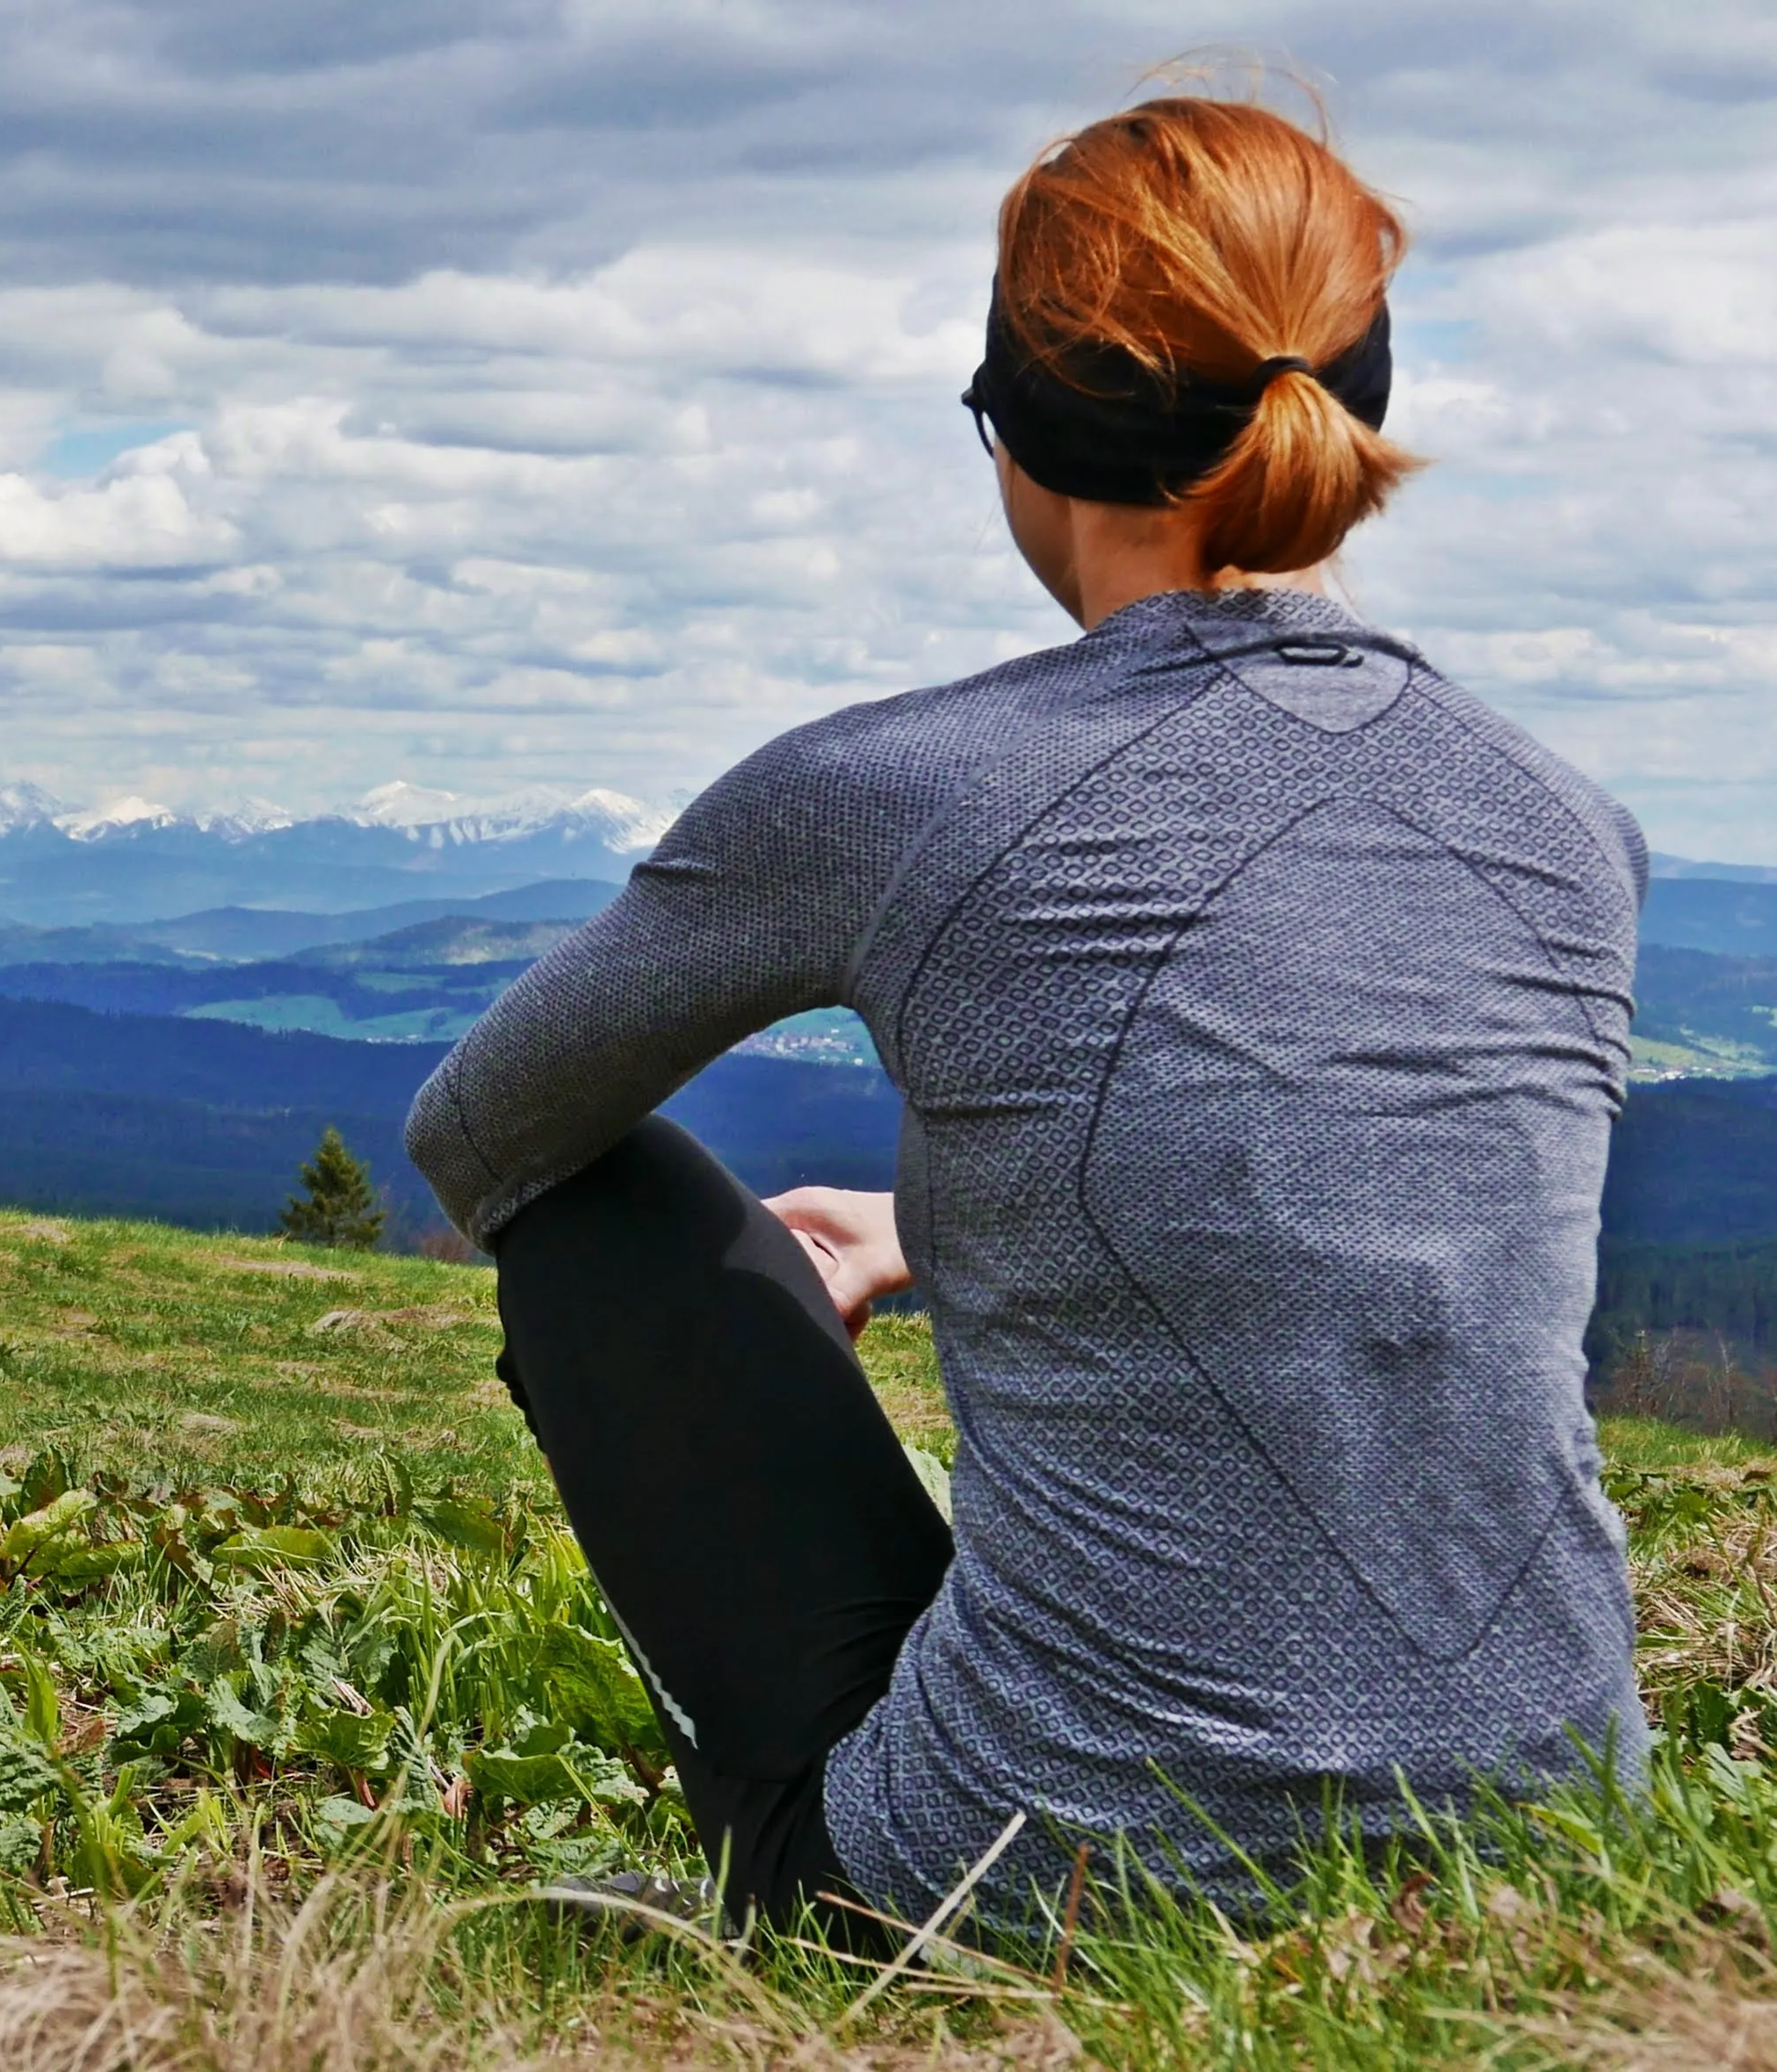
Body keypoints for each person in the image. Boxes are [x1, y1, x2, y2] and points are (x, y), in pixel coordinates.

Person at [403, 90, 1647, 1937]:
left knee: (608, 1202)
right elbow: (1365, 1195)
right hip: (1550, 1852)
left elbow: (483, 1136)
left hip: (1030, 1886)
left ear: (1018, 441)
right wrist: (949, 1226)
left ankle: (780, 1906)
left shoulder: (889, 794)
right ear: (1349, 407)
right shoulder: (1564, 821)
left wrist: (790, 1262)